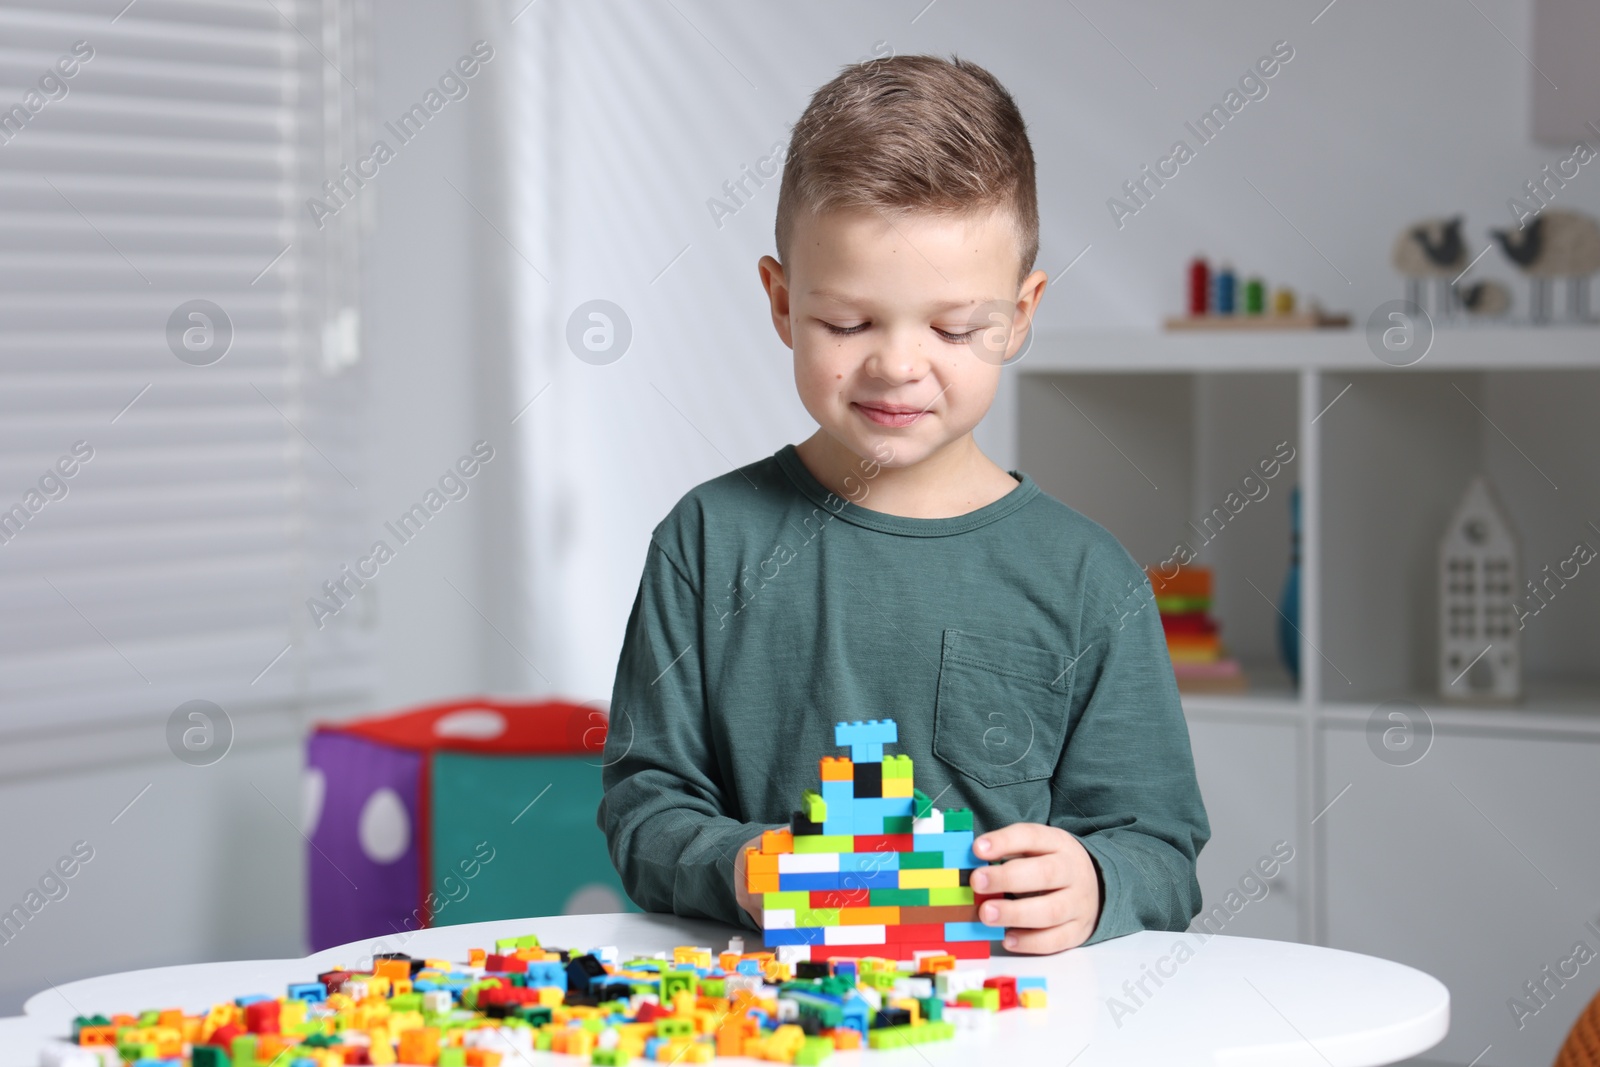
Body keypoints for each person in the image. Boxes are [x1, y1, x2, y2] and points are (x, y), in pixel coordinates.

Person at [598, 54, 1209, 953]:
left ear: (1020, 315)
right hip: (771, 1021)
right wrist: (742, 866)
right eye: (848, 323)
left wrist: (1094, 881)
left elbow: (1158, 843)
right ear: (779, 301)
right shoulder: (706, 541)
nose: (896, 364)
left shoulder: (1088, 578)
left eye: (955, 328)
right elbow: (646, 804)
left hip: (1009, 1026)